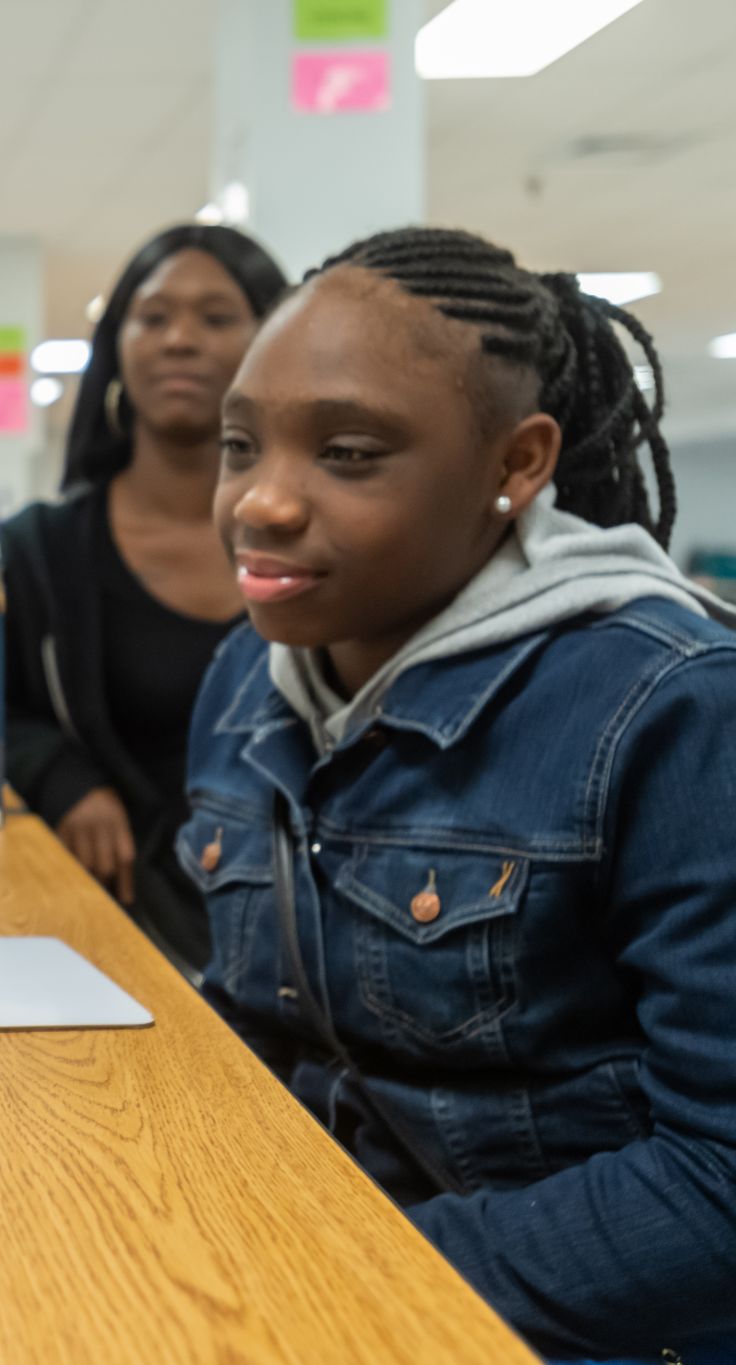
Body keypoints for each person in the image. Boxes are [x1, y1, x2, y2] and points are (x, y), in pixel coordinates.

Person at [187, 226, 736, 1358]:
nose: (259, 504)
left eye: (346, 453)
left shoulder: (667, 707)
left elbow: (718, 1182)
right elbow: (257, 1031)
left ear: (514, 464)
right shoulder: (253, 671)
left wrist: (343, 1280)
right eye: (239, 446)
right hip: (295, 1283)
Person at [2, 225, 287, 972]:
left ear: (274, 339)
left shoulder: (320, 541)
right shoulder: (42, 551)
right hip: (115, 929)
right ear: (119, 344)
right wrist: (61, 775)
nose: (180, 340)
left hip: (306, 938)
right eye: (153, 316)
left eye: (216, 317)